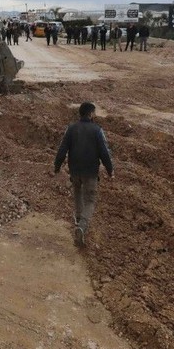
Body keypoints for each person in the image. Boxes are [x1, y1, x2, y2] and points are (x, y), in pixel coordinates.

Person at [54, 102, 114, 247]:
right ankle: (82, 226)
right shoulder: (97, 130)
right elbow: (104, 152)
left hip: (74, 170)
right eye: (95, 112)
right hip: (90, 171)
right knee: (90, 200)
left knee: (77, 194)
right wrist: (110, 170)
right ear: (91, 114)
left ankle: (78, 221)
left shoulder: (71, 129)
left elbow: (62, 149)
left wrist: (57, 166)